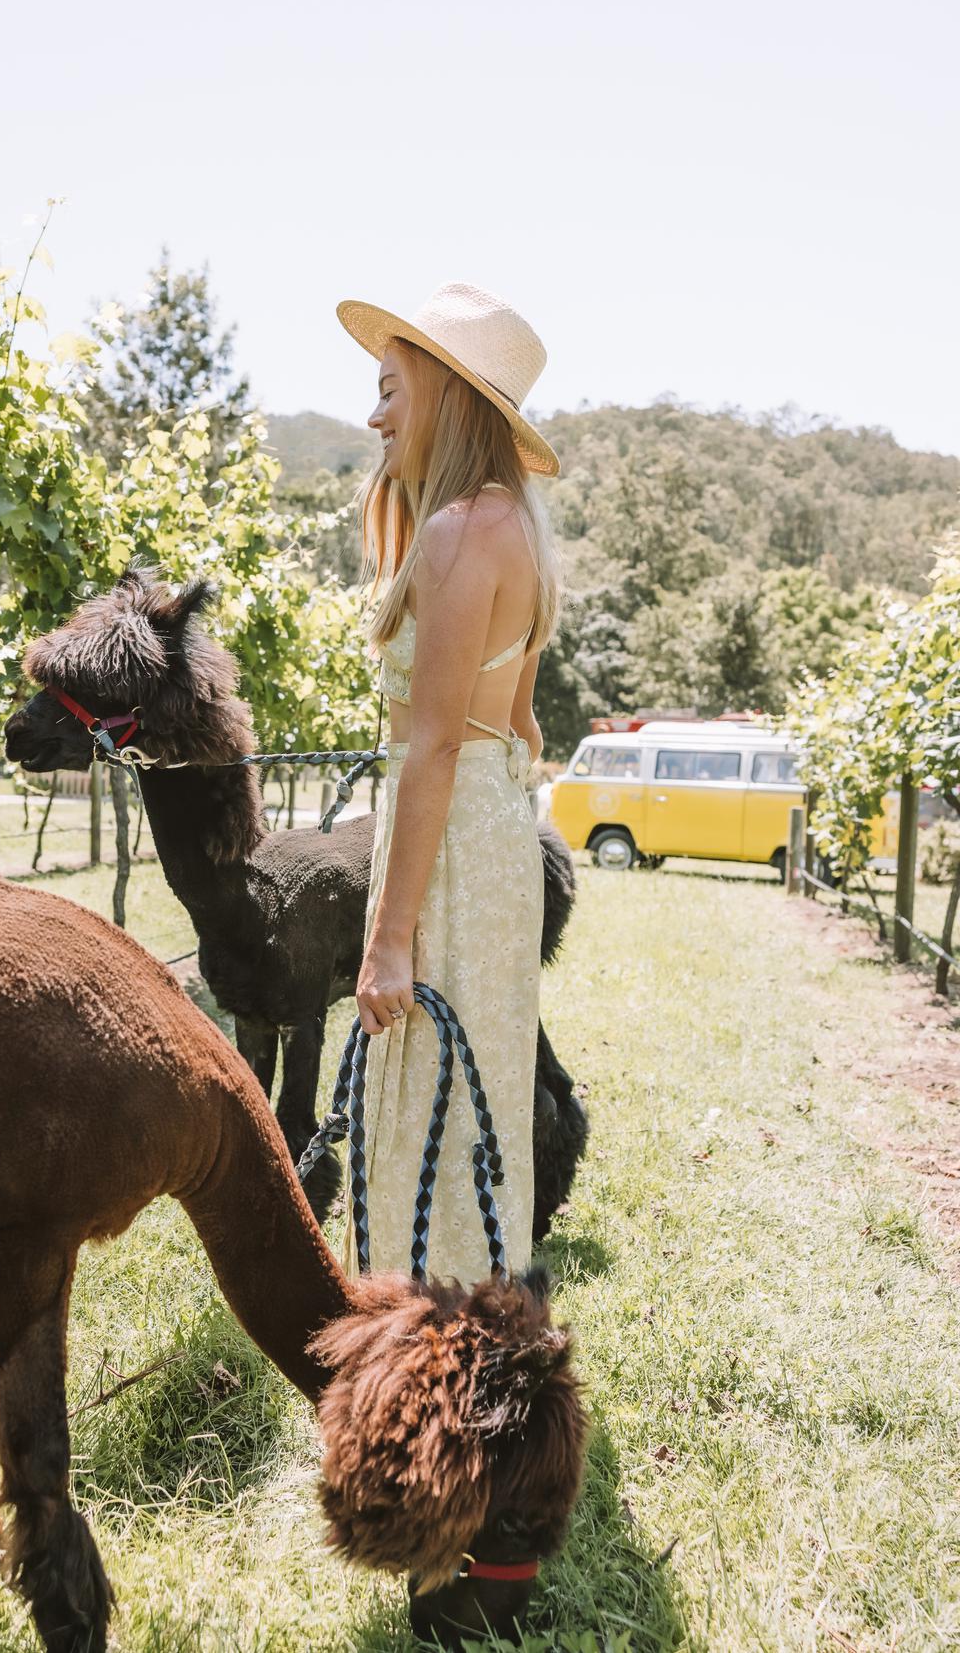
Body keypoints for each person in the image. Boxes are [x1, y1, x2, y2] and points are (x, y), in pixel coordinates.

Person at [336, 281, 563, 1285]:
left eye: (390, 389)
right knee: (479, 1105)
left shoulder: (458, 532)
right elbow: (520, 723)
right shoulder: (507, 524)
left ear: (448, 398)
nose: (375, 412)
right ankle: (479, 1341)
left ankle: (427, 1353)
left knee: (426, 1094)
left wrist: (387, 939)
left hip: (455, 848)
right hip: (489, 835)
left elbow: (432, 748)